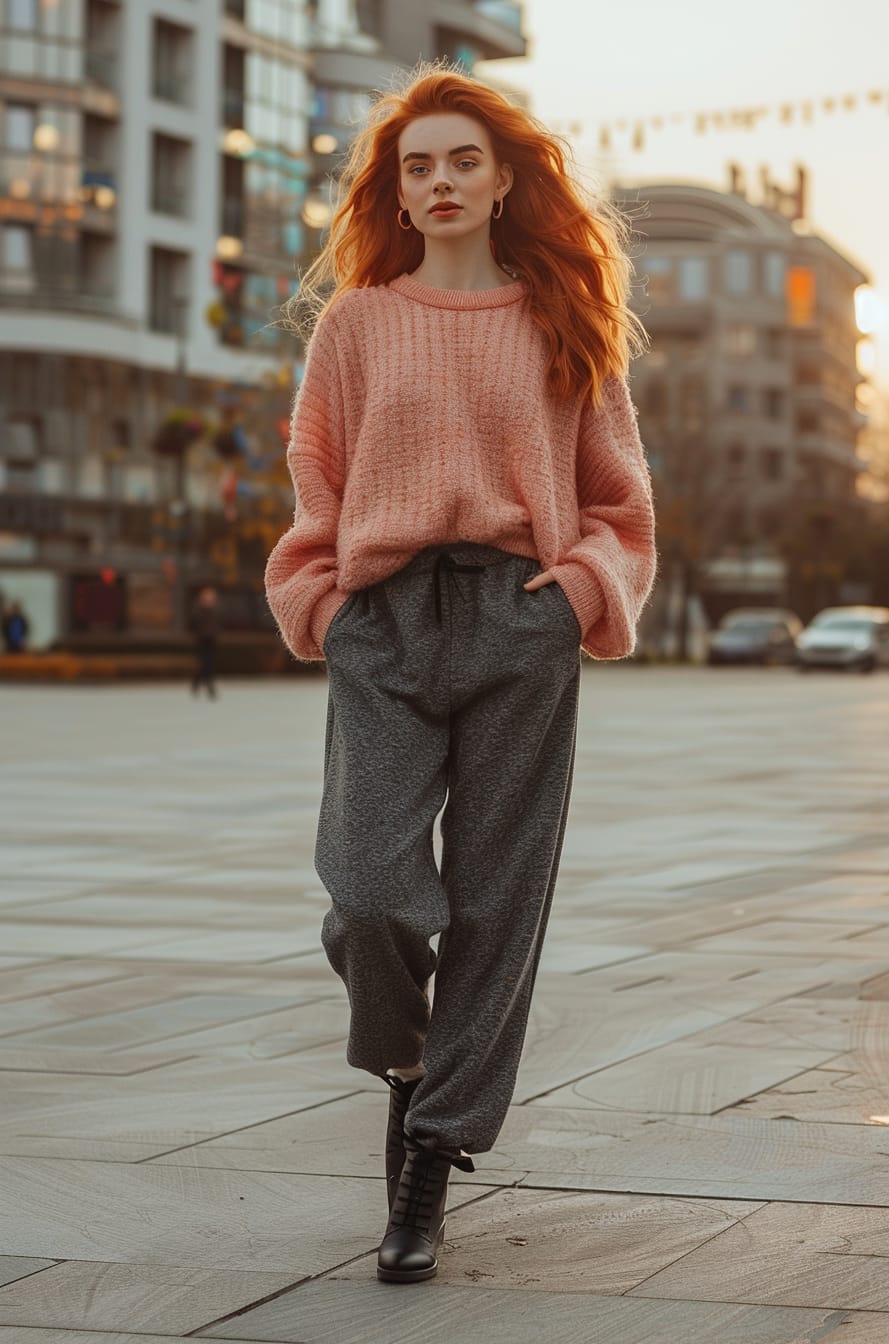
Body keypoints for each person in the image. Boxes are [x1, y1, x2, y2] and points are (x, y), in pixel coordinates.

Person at [265, 66, 657, 1284]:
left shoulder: (560, 317)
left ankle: (426, 1161)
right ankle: (407, 1061)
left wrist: (584, 588)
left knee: (497, 896)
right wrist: (325, 605)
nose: (436, 183)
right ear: (396, 190)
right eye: (415, 167)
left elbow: (618, 498)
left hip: (516, 618)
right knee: (370, 888)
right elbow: (313, 478)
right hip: (381, 621)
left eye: (460, 163)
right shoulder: (357, 322)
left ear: (501, 183)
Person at [189, 586, 219, 698]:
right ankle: (207, 685)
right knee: (204, 663)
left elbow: (217, 623)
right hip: (202, 639)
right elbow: (194, 623)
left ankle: (199, 683)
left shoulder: (215, 609)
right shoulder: (199, 609)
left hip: (212, 639)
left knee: (209, 663)